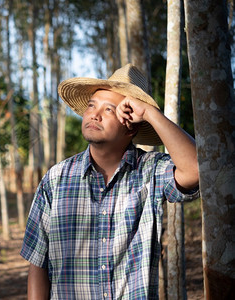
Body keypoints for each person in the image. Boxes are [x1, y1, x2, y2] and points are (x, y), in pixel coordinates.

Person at [20, 64, 200, 299]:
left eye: (109, 109)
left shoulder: (150, 171)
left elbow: (196, 169)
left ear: (131, 126)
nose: (94, 114)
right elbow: (37, 263)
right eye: (92, 105)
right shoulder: (56, 179)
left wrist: (149, 112)